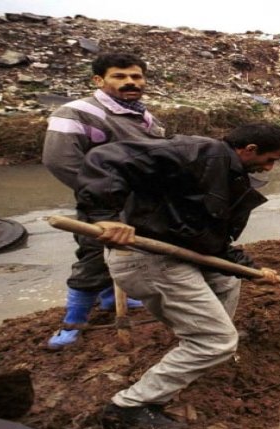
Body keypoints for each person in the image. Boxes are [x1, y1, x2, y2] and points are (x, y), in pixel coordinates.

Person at [77, 123, 280, 429]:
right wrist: (105, 217)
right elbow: (108, 158)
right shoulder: (197, 153)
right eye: (269, 159)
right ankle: (130, 406)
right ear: (249, 149)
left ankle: (203, 342)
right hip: (147, 259)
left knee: (227, 281)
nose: (269, 168)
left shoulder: (226, 172)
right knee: (218, 341)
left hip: (176, 254)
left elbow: (210, 242)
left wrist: (252, 268)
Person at [41, 52, 165, 350]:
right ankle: (73, 323)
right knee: (94, 257)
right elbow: (61, 162)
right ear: (99, 80)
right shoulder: (76, 113)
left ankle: (111, 298)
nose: (130, 82)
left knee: (128, 254)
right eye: (119, 76)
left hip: (138, 202)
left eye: (135, 76)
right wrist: (104, 197)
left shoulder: (144, 115)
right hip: (102, 204)